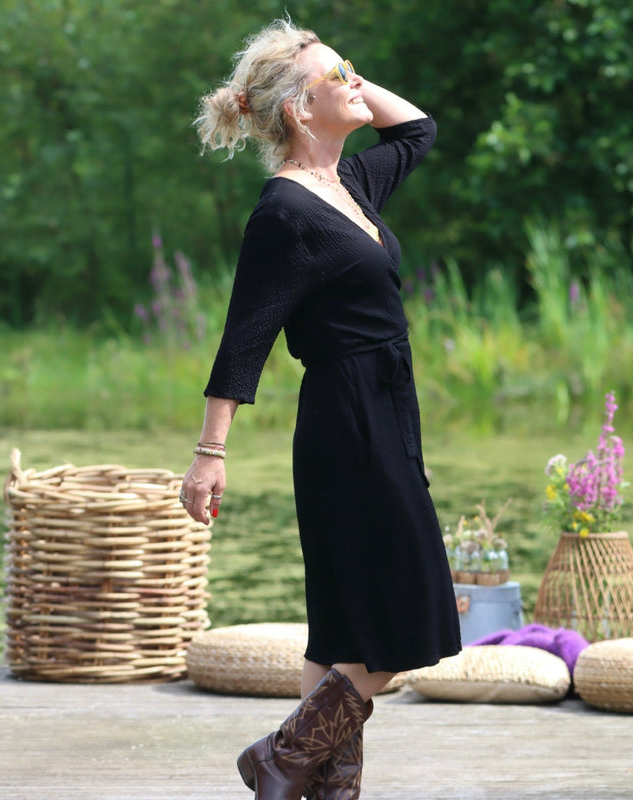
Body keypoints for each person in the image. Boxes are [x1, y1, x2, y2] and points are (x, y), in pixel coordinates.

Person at [179, 19, 461, 800]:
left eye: (352, 68)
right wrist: (210, 453)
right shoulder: (285, 213)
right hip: (348, 418)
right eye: (337, 76)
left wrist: (336, 73)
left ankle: (319, 788)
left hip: (384, 408)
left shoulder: (352, 185)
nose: (355, 80)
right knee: (410, 617)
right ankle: (280, 757)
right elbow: (244, 339)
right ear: (299, 110)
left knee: (339, 625)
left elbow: (418, 128)